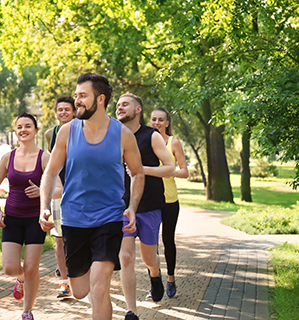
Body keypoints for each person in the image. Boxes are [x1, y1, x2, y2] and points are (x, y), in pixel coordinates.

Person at [39, 73, 145, 320]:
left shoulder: (122, 135)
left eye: (82, 96)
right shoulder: (67, 132)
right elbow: (51, 172)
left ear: (100, 99)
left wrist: (132, 207)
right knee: (80, 291)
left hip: (109, 218)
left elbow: (138, 173)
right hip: (74, 219)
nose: (77, 101)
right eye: (76, 95)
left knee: (99, 287)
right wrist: (44, 206)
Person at [115, 94, 174, 320]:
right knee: (126, 257)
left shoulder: (152, 136)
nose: (120, 108)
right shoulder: (113, 136)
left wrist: (142, 170)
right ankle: (132, 311)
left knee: (149, 257)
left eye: (125, 104)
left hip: (149, 206)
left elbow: (169, 167)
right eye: (118, 105)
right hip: (121, 206)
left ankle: (154, 273)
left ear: (138, 109)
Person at [0, 113, 49, 320]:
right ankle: (21, 279)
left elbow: (60, 187)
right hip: (13, 218)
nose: (23, 130)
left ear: (35, 130)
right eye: (19, 127)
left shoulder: (45, 157)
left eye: (28, 126)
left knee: (32, 268)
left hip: (36, 219)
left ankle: (27, 312)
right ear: (15, 131)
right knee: (9, 268)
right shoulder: (8, 157)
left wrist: (42, 189)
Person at [150, 108, 189, 298]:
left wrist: (167, 170)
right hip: (150, 199)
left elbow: (184, 171)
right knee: (151, 244)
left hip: (170, 200)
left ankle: (171, 279)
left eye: (160, 120)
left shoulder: (174, 143)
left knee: (167, 241)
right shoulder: (146, 141)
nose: (156, 122)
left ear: (167, 123)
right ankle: (154, 282)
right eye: (153, 119)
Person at [44, 96, 76, 299]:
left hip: (81, 193)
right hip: (59, 194)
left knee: (79, 238)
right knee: (60, 240)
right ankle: (64, 282)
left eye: (67, 109)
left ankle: (82, 277)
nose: (63, 112)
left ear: (74, 112)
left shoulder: (82, 131)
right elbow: (51, 166)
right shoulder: (51, 134)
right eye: (60, 109)